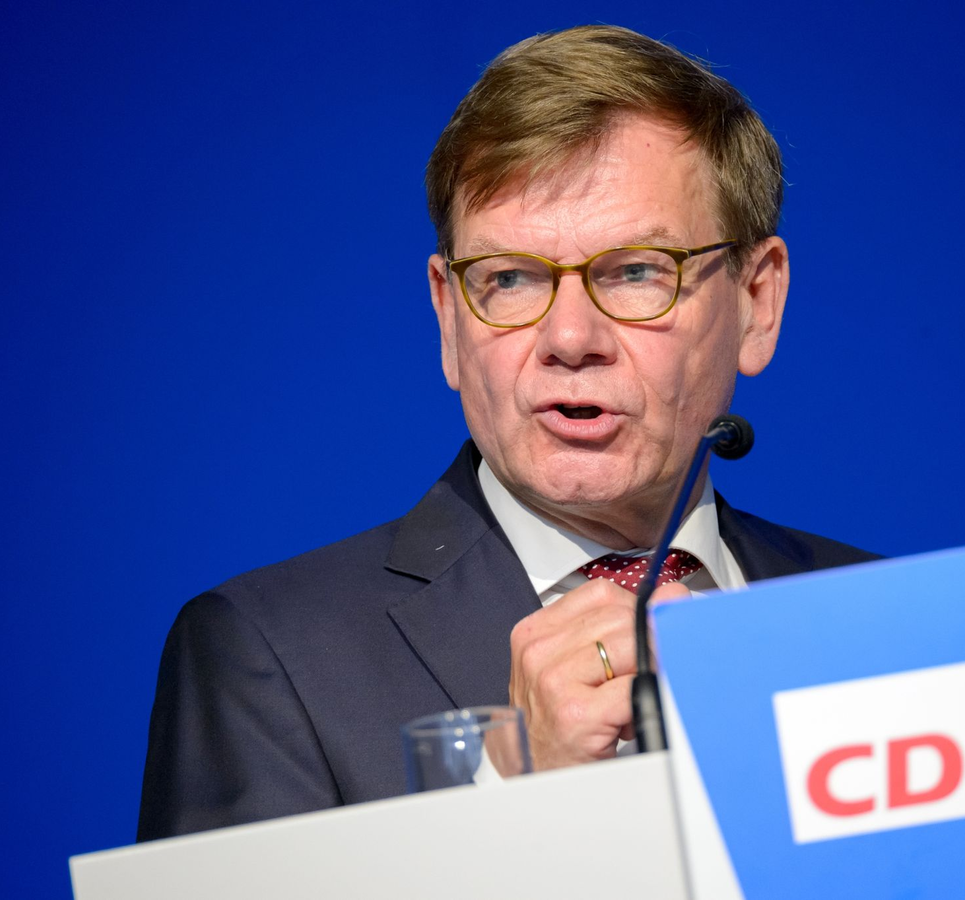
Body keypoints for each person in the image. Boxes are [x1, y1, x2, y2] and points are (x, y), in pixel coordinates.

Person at [137, 24, 878, 842]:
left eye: (636, 271)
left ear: (757, 301)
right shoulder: (271, 657)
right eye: (512, 279)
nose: (570, 338)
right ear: (450, 318)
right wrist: (513, 802)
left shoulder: (882, 626)